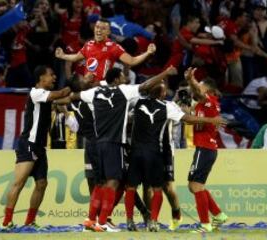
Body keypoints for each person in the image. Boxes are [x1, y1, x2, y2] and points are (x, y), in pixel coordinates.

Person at [72, 66, 178, 232]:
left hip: (96, 144)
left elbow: (75, 95)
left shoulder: (95, 92)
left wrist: (56, 98)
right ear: (115, 80)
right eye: (122, 76)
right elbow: (145, 85)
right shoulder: (124, 91)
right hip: (114, 144)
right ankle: (102, 222)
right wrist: (165, 73)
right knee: (114, 182)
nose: (125, 78)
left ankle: (90, 219)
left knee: (101, 183)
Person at [125, 83, 226, 232]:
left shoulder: (150, 103)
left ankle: (176, 213)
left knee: (167, 187)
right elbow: (187, 115)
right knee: (150, 188)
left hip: (164, 151)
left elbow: (185, 114)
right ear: (163, 93)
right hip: (154, 151)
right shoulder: (164, 105)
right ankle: (151, 219)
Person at [0, 65, 71, 230]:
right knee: (19, 183)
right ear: (41, 78)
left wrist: (82, 91)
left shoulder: (46, 97)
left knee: (42, 183)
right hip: (28, 144)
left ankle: (29, 221)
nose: (54, 78)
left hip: (40, 147)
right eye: (51, 75)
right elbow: (61, 94)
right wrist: (71, 83)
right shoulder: (36, 93)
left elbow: (65, 99)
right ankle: (6, 222)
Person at [185, 68, 228, 233]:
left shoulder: (209, 100)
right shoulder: (203, 104)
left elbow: (197, 92)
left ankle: (205, 224)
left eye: (200, 86)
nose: (197, 89)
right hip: (204, 148)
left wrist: (191, 79)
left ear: (207, 90)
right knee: (194, 185)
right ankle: (218, 214)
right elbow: (192, 120)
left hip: (206, 148)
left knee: (196, 186)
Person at [54, 18, 156, 82]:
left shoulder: (113, 47)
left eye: (103, 28)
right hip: (85, 88)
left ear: (108, 32)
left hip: (101, 89)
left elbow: (132, 61)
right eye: (97, 27)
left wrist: (147, 52)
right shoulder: (88, 44)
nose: (99, 30)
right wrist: (63, 56)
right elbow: (76, 57)